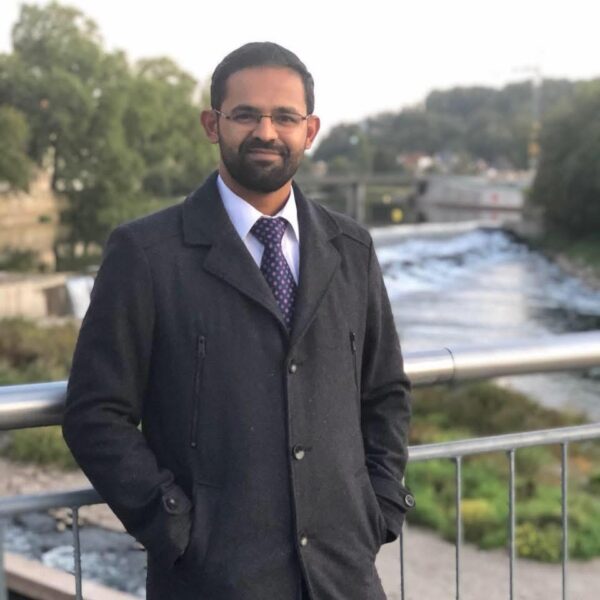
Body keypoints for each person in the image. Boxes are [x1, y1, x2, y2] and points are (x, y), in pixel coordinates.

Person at [62, 41, 414, 600]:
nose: (266, 132)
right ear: (213, 124)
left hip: (343, 575)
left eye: (285, 117)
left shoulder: (351, 248)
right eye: (246, 114)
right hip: (212, 580)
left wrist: (380, 506)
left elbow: (385, 391)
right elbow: (95, 412)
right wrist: (174, 526)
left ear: (310, 130)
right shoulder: (147, 254)